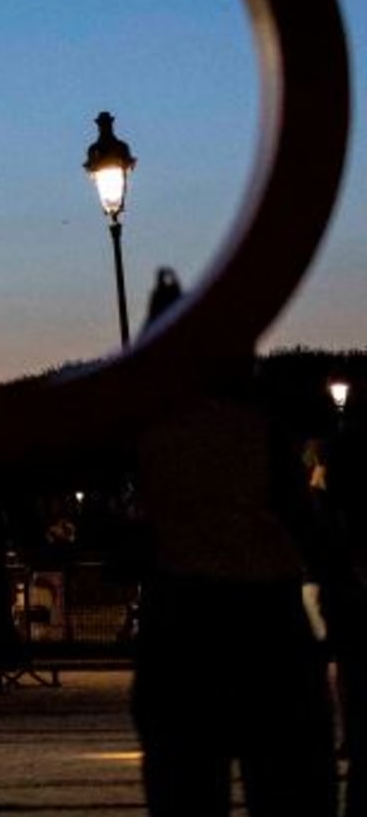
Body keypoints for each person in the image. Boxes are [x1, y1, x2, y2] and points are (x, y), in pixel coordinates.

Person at [130, 270, 334, 817]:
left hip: (182, 616)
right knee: (291, 785)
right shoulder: (260, 427)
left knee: (186, 788)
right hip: (267, 615)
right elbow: (304, 523)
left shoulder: (150, 431)